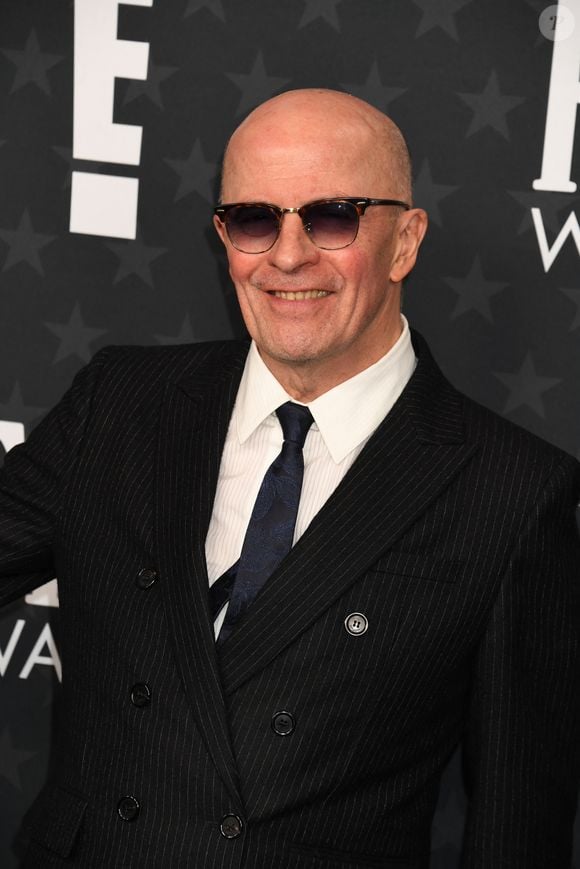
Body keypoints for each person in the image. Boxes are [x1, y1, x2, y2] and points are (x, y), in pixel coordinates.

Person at [1, 88, 579, 869]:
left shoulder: (513, 492)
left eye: (332, 217)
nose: (287, 255)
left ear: (405, 242)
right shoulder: (120, 403)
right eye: (254, 219)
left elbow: (518, 829)